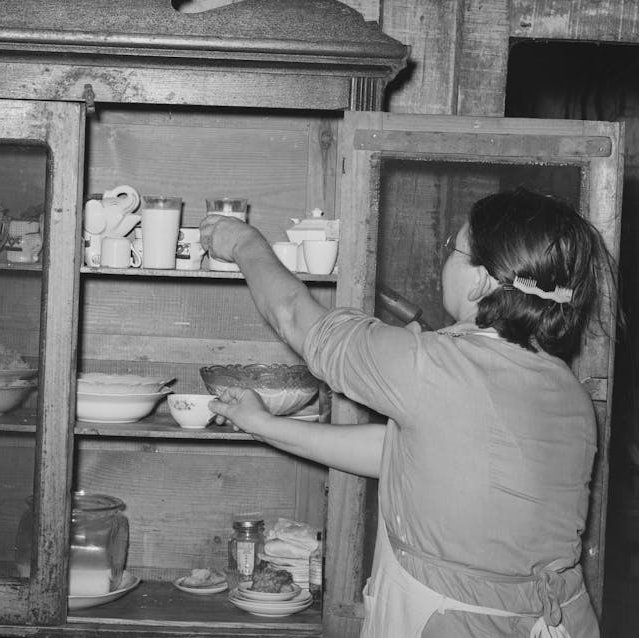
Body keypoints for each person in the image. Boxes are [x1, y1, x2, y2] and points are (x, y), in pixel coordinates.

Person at [201, 187, 614, 638]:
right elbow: (405, 455)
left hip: (455, 623)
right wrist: (264, 425)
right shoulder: (567, 391)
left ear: (480, 282)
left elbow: (293, 317)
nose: (446, 260)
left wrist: (244, 244)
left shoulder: (433, 366)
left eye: (454, 249)